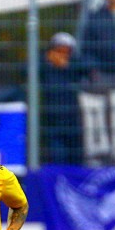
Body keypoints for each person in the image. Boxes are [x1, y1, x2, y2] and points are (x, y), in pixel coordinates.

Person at [41, 32, 89, 165]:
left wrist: (68, 65)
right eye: (59, 51)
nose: (62, 55)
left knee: (76, 159)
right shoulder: (44, 68)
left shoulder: (74, 67)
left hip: (73, 121)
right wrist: (47, 60)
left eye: (66, 52)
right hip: (52, 123)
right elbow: (27, 71)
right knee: (57, 158)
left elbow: (89, 67)